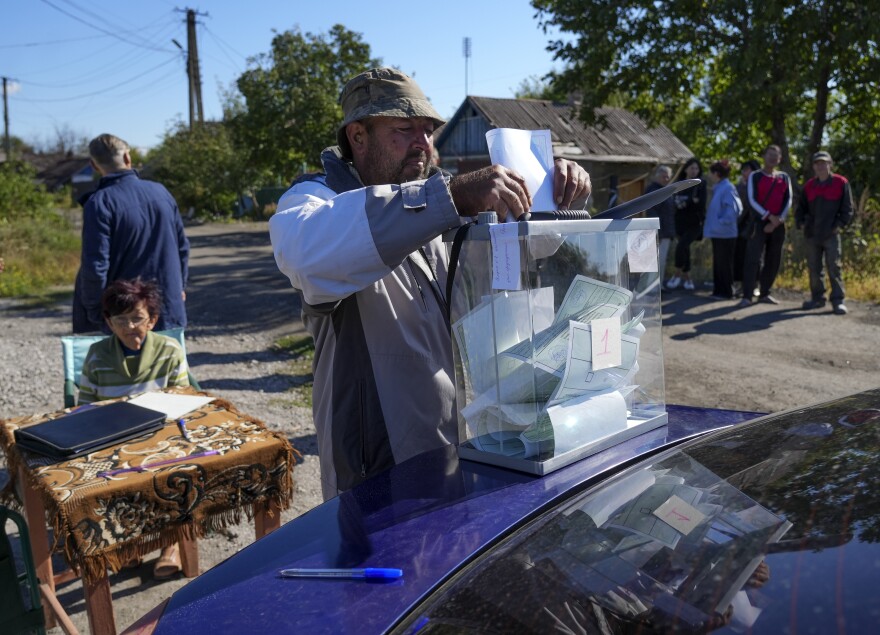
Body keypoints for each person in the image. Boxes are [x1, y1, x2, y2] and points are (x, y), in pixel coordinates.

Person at [269, 67, 591, 500]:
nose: (422, 143)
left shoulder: (429, 198)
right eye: (404, 129)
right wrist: (449, 198)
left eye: (428, 131)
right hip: (376, 470)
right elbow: (308, 256)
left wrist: (553, 197)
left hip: (460, 446)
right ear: (358, 137)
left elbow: (515, 258)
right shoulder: (314, 199)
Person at [78, 278, 190, 578]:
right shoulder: (97, 355)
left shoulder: (169, 350)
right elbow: (84, 409)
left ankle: (172, 546)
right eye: (121, 320)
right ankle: (131, 543)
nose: (130, 327)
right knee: (107, 479)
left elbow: (182, 400)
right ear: (109, 323)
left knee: (174, 475)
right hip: (113, 440)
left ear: (152, 320)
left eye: (137, 318)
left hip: (160, 436)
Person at [73, 133, 190, 334]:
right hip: (167, 306)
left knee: (128, 366)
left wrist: (94, 311)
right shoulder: (161, 192)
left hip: (125, 317)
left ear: (93, 165)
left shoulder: (100, 203)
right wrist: (179, 287)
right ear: (127, 158)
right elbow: (182, 247)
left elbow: (95, 264)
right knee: (170, 363)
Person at [795, 151, 854, 315]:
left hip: (831, 232)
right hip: (812, 233)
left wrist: (839, 225)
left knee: (834, 266)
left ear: (830, 164)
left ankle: (838, 300)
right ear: (814, 166)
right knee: (814, 268)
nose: (821, 166)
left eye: (824, 163)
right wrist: (800, 223)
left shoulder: (841, 182)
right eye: (817, 163)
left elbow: (847, 208)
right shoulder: (809, 186)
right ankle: (817, 298)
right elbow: (800, 208)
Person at [740, 144, 792, 307]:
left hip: (778, 224)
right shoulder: (755, 176)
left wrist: (778, 220)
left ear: (780, 159)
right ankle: (747, 295)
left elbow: (788, 199)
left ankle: (765, 292)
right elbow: (751, 200)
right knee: (753, 259)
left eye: (776, 155)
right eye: (770, 154)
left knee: (773, 258)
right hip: (759, 223)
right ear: (764, 156)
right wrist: (768, 217)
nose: (772, 158)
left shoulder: (784, 177)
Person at [703, 160, 743, 299]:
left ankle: (726, 292)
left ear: (717, 174)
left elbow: (733, 209)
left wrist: (721, 222)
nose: (710, 175)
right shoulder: (720, 187)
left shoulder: (727, 188)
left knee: (725, 264)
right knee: (719, 263)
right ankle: (719, 290)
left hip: (725, 233)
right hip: (719, 232)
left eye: (711, 172)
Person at [666, 158, 707, 291]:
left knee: (681, 246)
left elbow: (700, 204)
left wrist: (687, 201)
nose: (694, 171)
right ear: (686, 169)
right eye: (692, 168)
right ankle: (688, 279)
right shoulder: (680, 184)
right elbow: (675, 201)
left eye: (696, 168)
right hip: (680, 223)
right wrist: (691, 200)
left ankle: (677, 275)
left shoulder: (701, 184)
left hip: (695, 223)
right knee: (685, 249)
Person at [734, 160, 761, 296]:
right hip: (739, 227)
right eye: (743, 170)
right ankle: (739, 285)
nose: (744, 173)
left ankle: (754, 284)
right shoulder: (738, 187)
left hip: (755, 226)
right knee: (739, 256)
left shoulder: (759, 186)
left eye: (747, 170)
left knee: (755, 257)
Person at [644, 165, 675, 280]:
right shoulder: (653, 190)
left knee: (661, 261)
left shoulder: (666, 190)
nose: (666, 179)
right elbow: (651, 212)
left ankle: (659, 286)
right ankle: (653, 289)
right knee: (656, 262)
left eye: (668, 177)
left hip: (666, 232)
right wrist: (658, 232)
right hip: (659, 232)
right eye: (663, 177)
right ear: (657, 176)